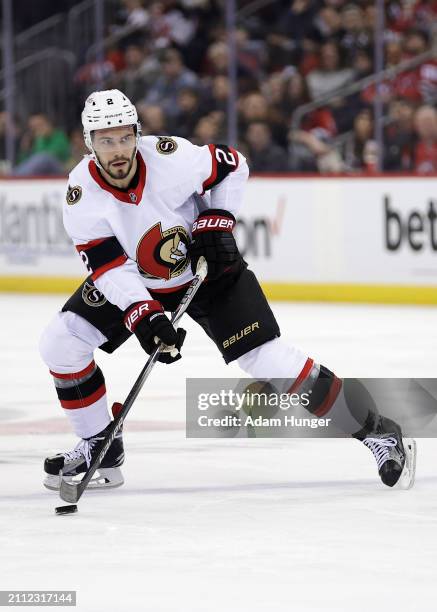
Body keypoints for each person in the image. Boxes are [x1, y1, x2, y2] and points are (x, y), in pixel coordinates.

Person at [39, 89, 416, 492]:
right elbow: (109, 268)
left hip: (208, 270)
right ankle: (102, 444)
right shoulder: (81, 195)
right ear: (89, 142)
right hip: (139, 278)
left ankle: (377, 431)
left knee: (267, 360)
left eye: (125, 137)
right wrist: (143, 313)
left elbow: (234, 165)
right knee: (62, 341)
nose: (118, 150)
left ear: (137, 133)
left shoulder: (171, 159)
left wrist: (217, 218)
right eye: (106, 140)